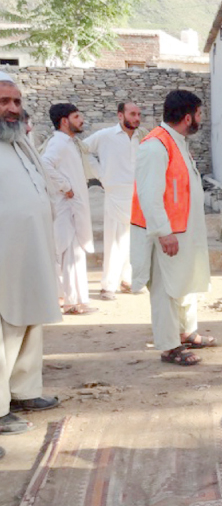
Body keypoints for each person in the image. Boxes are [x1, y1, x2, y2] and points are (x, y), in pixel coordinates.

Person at [0, 72, 61, 452]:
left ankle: (24, 390)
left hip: (32, 250)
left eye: (16, 101)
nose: (11, 109)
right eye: (4, 101)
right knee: (3, 331)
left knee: (30, 322)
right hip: (4, 255)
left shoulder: (20, 142)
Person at [130, 90, 213, 366]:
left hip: (183, 232)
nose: (202, 118)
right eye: (200, 113)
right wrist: (164, 232)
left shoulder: (176, 141)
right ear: (188, 117)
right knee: (165, 290)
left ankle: (185, 332)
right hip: (166, 234)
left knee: (184, 284)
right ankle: (169, 347)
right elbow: (149, 194)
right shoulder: (155, 145)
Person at [84, 102, 144, 300]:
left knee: (133, 239)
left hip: (137, 194)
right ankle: (108, 285)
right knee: (114, 240)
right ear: (120, 116)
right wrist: (101, 174)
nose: (137, 118)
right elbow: (83, 150)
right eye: (132, 114)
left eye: (138, 114)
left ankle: (127, 280)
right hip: (115, 193)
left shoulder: (141, 136)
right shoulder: (105, 135)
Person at [41, 103, 97, 316]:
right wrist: (66, 187)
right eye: (76, 116)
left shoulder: (68, 143)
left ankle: (75, 300)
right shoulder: (59, 143)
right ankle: (71, 302)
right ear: (64, 121)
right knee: (68, 253)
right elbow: (45, 163)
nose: (81, 120)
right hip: (67, 208)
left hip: (73, 207)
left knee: (74, 253)